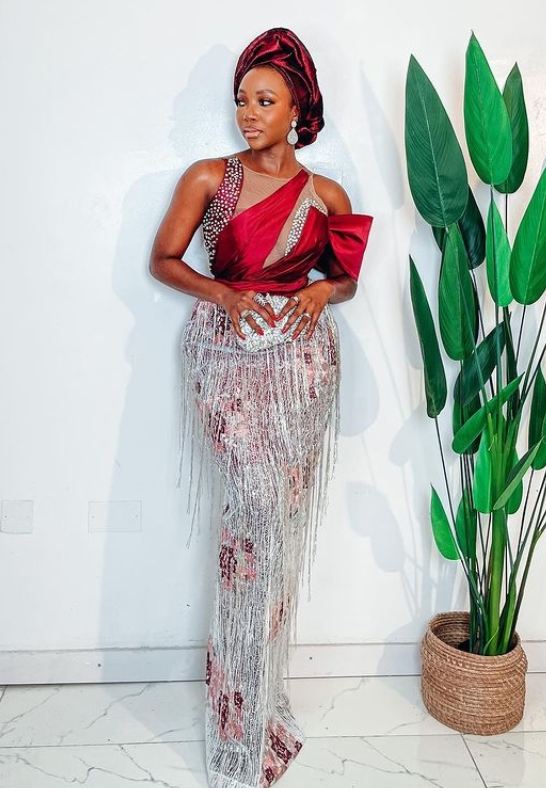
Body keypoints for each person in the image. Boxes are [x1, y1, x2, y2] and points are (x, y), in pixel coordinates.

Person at [150, 26, 373, 788]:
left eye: (264, 100)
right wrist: (221, 292)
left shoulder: (327, 196)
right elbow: (163, 259)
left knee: (276, 532)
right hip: (224, 354)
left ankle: (262, 700)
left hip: (303, 367)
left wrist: (322, 289)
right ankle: (234, 728)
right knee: (248, 519)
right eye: (241, 99)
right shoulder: (209, 179)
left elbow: (346, 279)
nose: (247, 113)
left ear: (298, 108)